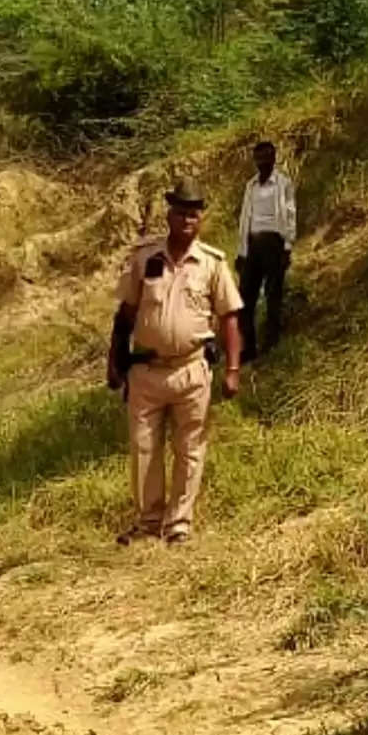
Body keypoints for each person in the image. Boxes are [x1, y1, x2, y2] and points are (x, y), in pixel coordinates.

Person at [108, 184, 244, 545]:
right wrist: (114, 360)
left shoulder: (212, 264)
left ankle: (179, 523)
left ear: (202, 219)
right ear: (169, 215)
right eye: (181, 212)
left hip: (191, 371)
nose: (187, 219)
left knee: (190, 449)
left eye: (194, 213)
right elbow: (125, 314)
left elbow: (229, 318)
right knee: (144, 448)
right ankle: (149, 521)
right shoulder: (144, 258)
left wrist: (232, 370)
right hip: (147, 373)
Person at [235, 140, 298, 362]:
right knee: (244, 298)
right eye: (259, 158)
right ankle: (248, 348)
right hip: (252, 245)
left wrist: (287, 247)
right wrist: (241, 251)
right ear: (255, 160)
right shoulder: (250, 186)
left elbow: (290, 215)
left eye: (267, 157)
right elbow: (245, 219)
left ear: (273, 158)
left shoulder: (283, 183)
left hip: (274, 243)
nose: (263, 162)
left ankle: (272, 345)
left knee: (273, 295)